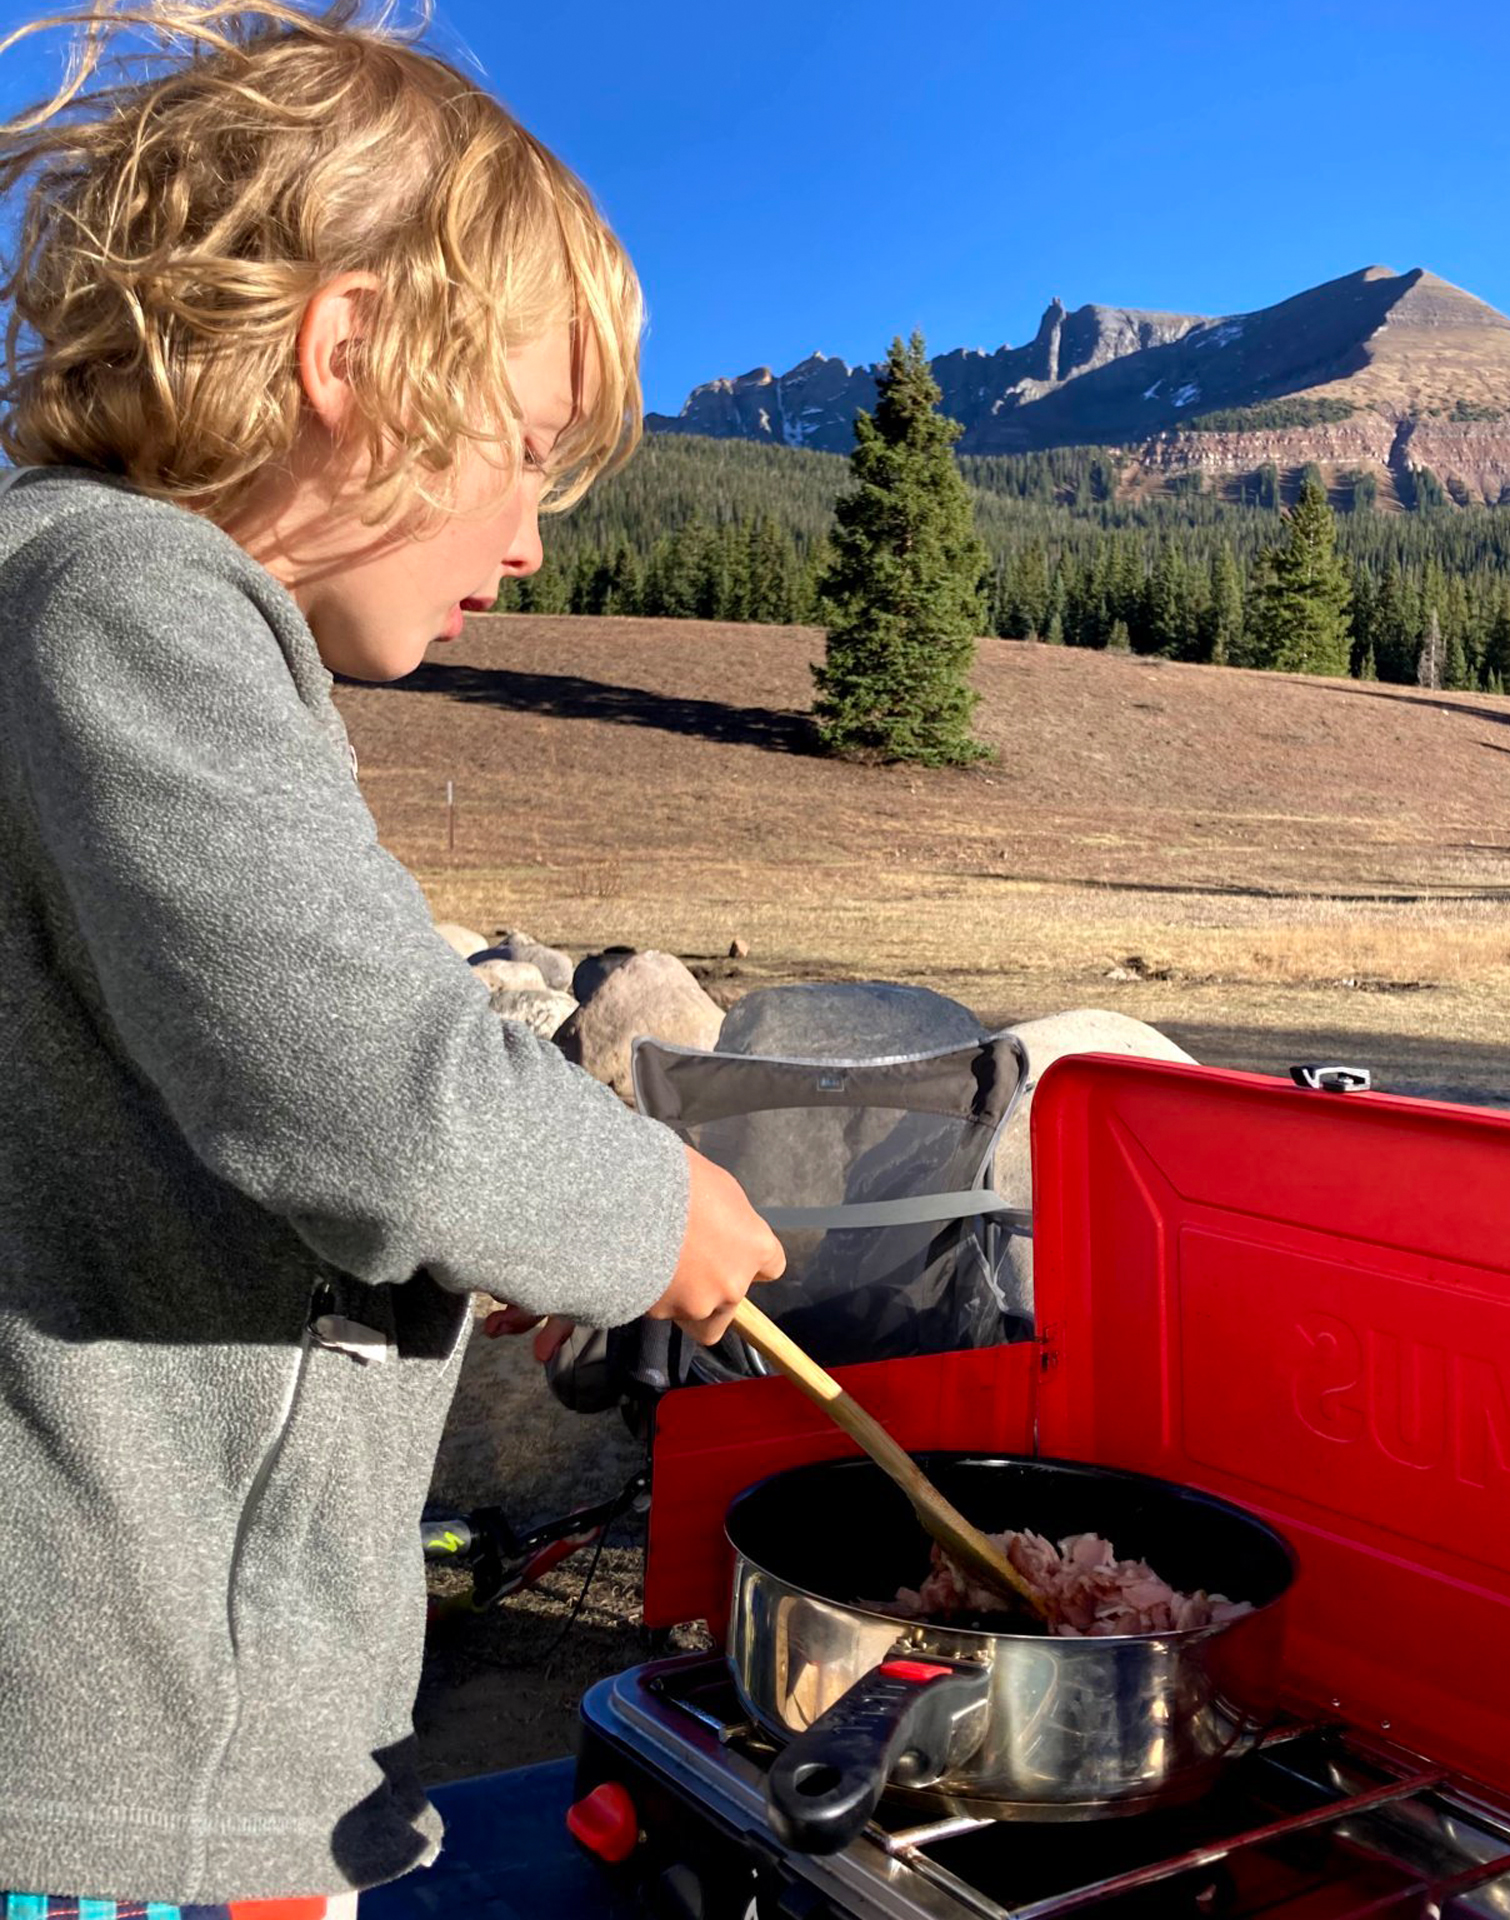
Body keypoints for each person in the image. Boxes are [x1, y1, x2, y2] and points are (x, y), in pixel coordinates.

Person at [0, 4, 785, 1915]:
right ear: (348, 354)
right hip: (127, 1770)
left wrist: (464, 1231)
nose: (529, 541)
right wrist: (639, 1204)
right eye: (522, 451)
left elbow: (203, 1076)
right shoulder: (132, 591)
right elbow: (360, 1088)